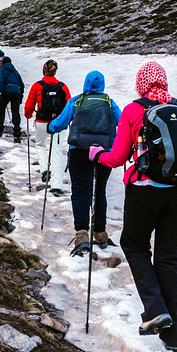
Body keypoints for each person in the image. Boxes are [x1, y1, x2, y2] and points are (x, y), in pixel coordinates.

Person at [89, 60, 177, 352]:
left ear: (141, 82)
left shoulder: (134, 110)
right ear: (163, 81)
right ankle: (175, 336)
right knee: (169, 260)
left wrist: (97, 156)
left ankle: (154, 308)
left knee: (134, 244)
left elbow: (118, 156)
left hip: (144, 192)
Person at [48, 70, 121, 254]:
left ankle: (82, 234)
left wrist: (50, 126)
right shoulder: (109, 102)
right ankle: (100, 233)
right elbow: (121, 121)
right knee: (100, 191)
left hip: (79, 152)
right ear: (102, 84)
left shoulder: (77, 101)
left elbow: (59, 124)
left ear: (86, 83)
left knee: (81, 192)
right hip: (104, 153)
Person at [24, 60, 71, 195]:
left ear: (44, 70)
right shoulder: (63, 87)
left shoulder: (37, 86)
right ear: (55, 71)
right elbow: (69, 105)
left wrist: (28, 115)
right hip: (58, 122)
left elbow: (29, 105)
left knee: (40, 146)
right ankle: (56, 185)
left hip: (41, 121)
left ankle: (45, 170)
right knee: (56, 151)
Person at [0, 55, 24, 142]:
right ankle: (17, 134)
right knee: (15, 112)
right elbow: (22, 84)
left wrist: (0, 92)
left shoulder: (2, 71)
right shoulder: (15, 72)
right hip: (16, 92)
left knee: (1, 109)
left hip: (6, 91)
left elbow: (1, 82)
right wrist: (20, 95)